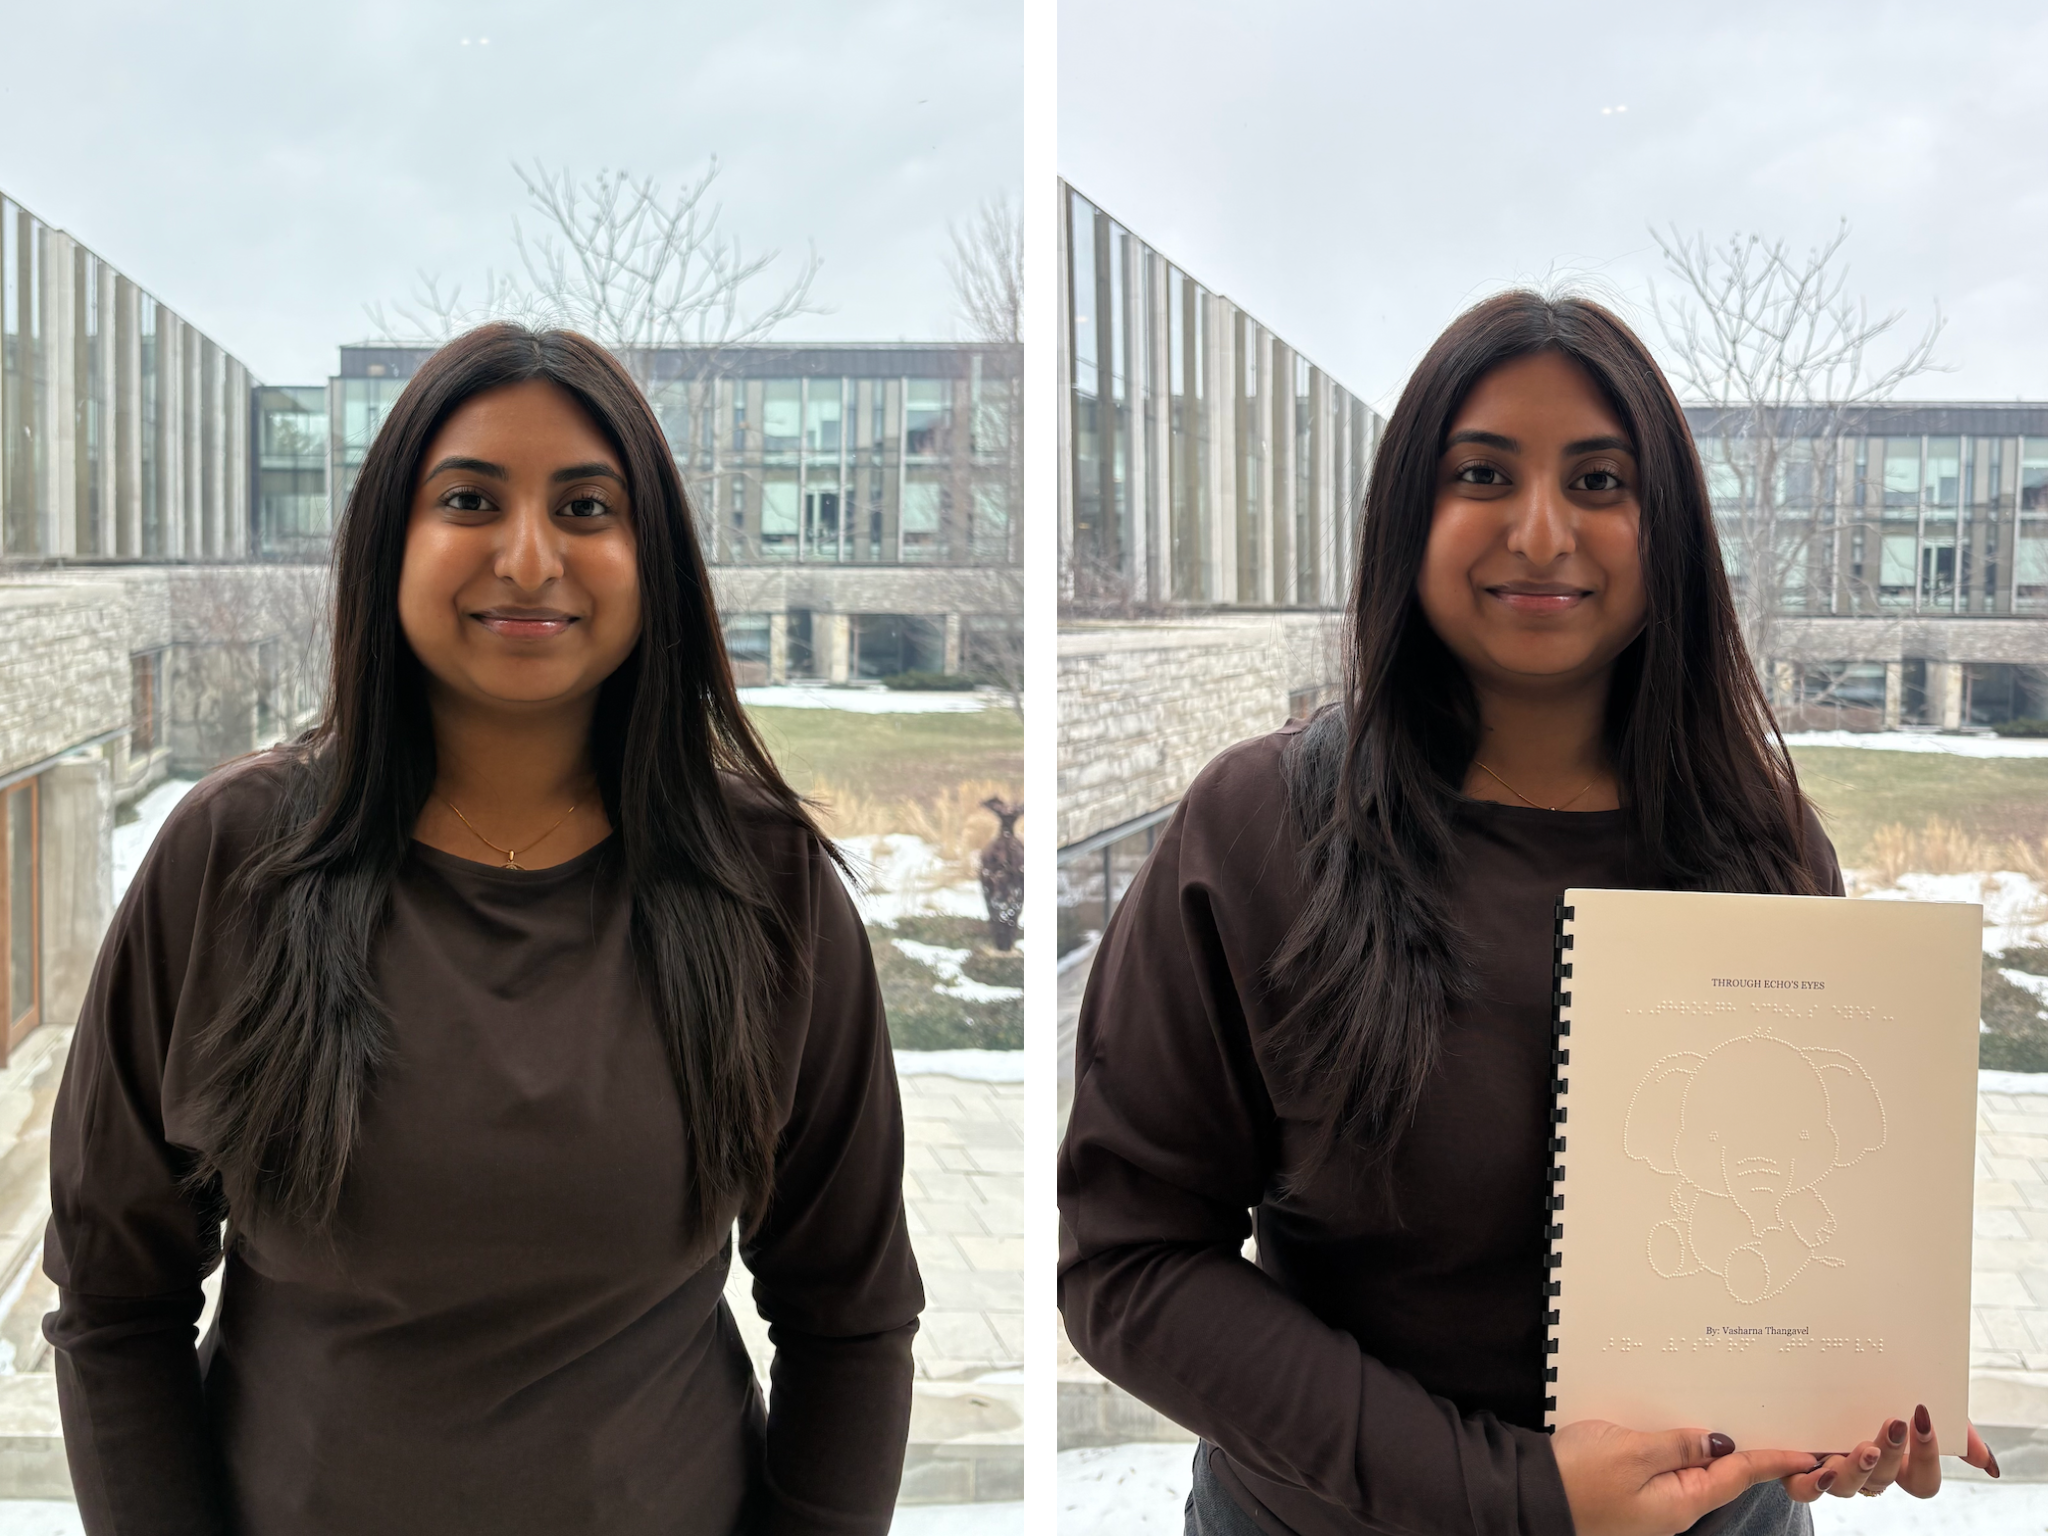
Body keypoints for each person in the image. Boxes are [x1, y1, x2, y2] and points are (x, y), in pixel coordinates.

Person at [1056, 291, 1995, 1536]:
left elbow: (1803, 1250)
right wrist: (1511, 1496)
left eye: (1599, 482)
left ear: (1668, 532)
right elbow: (1129, 1265)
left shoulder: (1762, 845)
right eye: (1482, 474)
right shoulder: (1257, 832)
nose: (1542, 532)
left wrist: (1844, 1407)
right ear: (1409, 513)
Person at [43, 324, 922, 1535]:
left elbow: (850, 1316)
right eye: (468, 500)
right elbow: (112, 1299)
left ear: (652, 558)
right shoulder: (232, 858)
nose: (527, 558)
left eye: (585, 508)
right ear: (390, 543)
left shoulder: (764, 883)